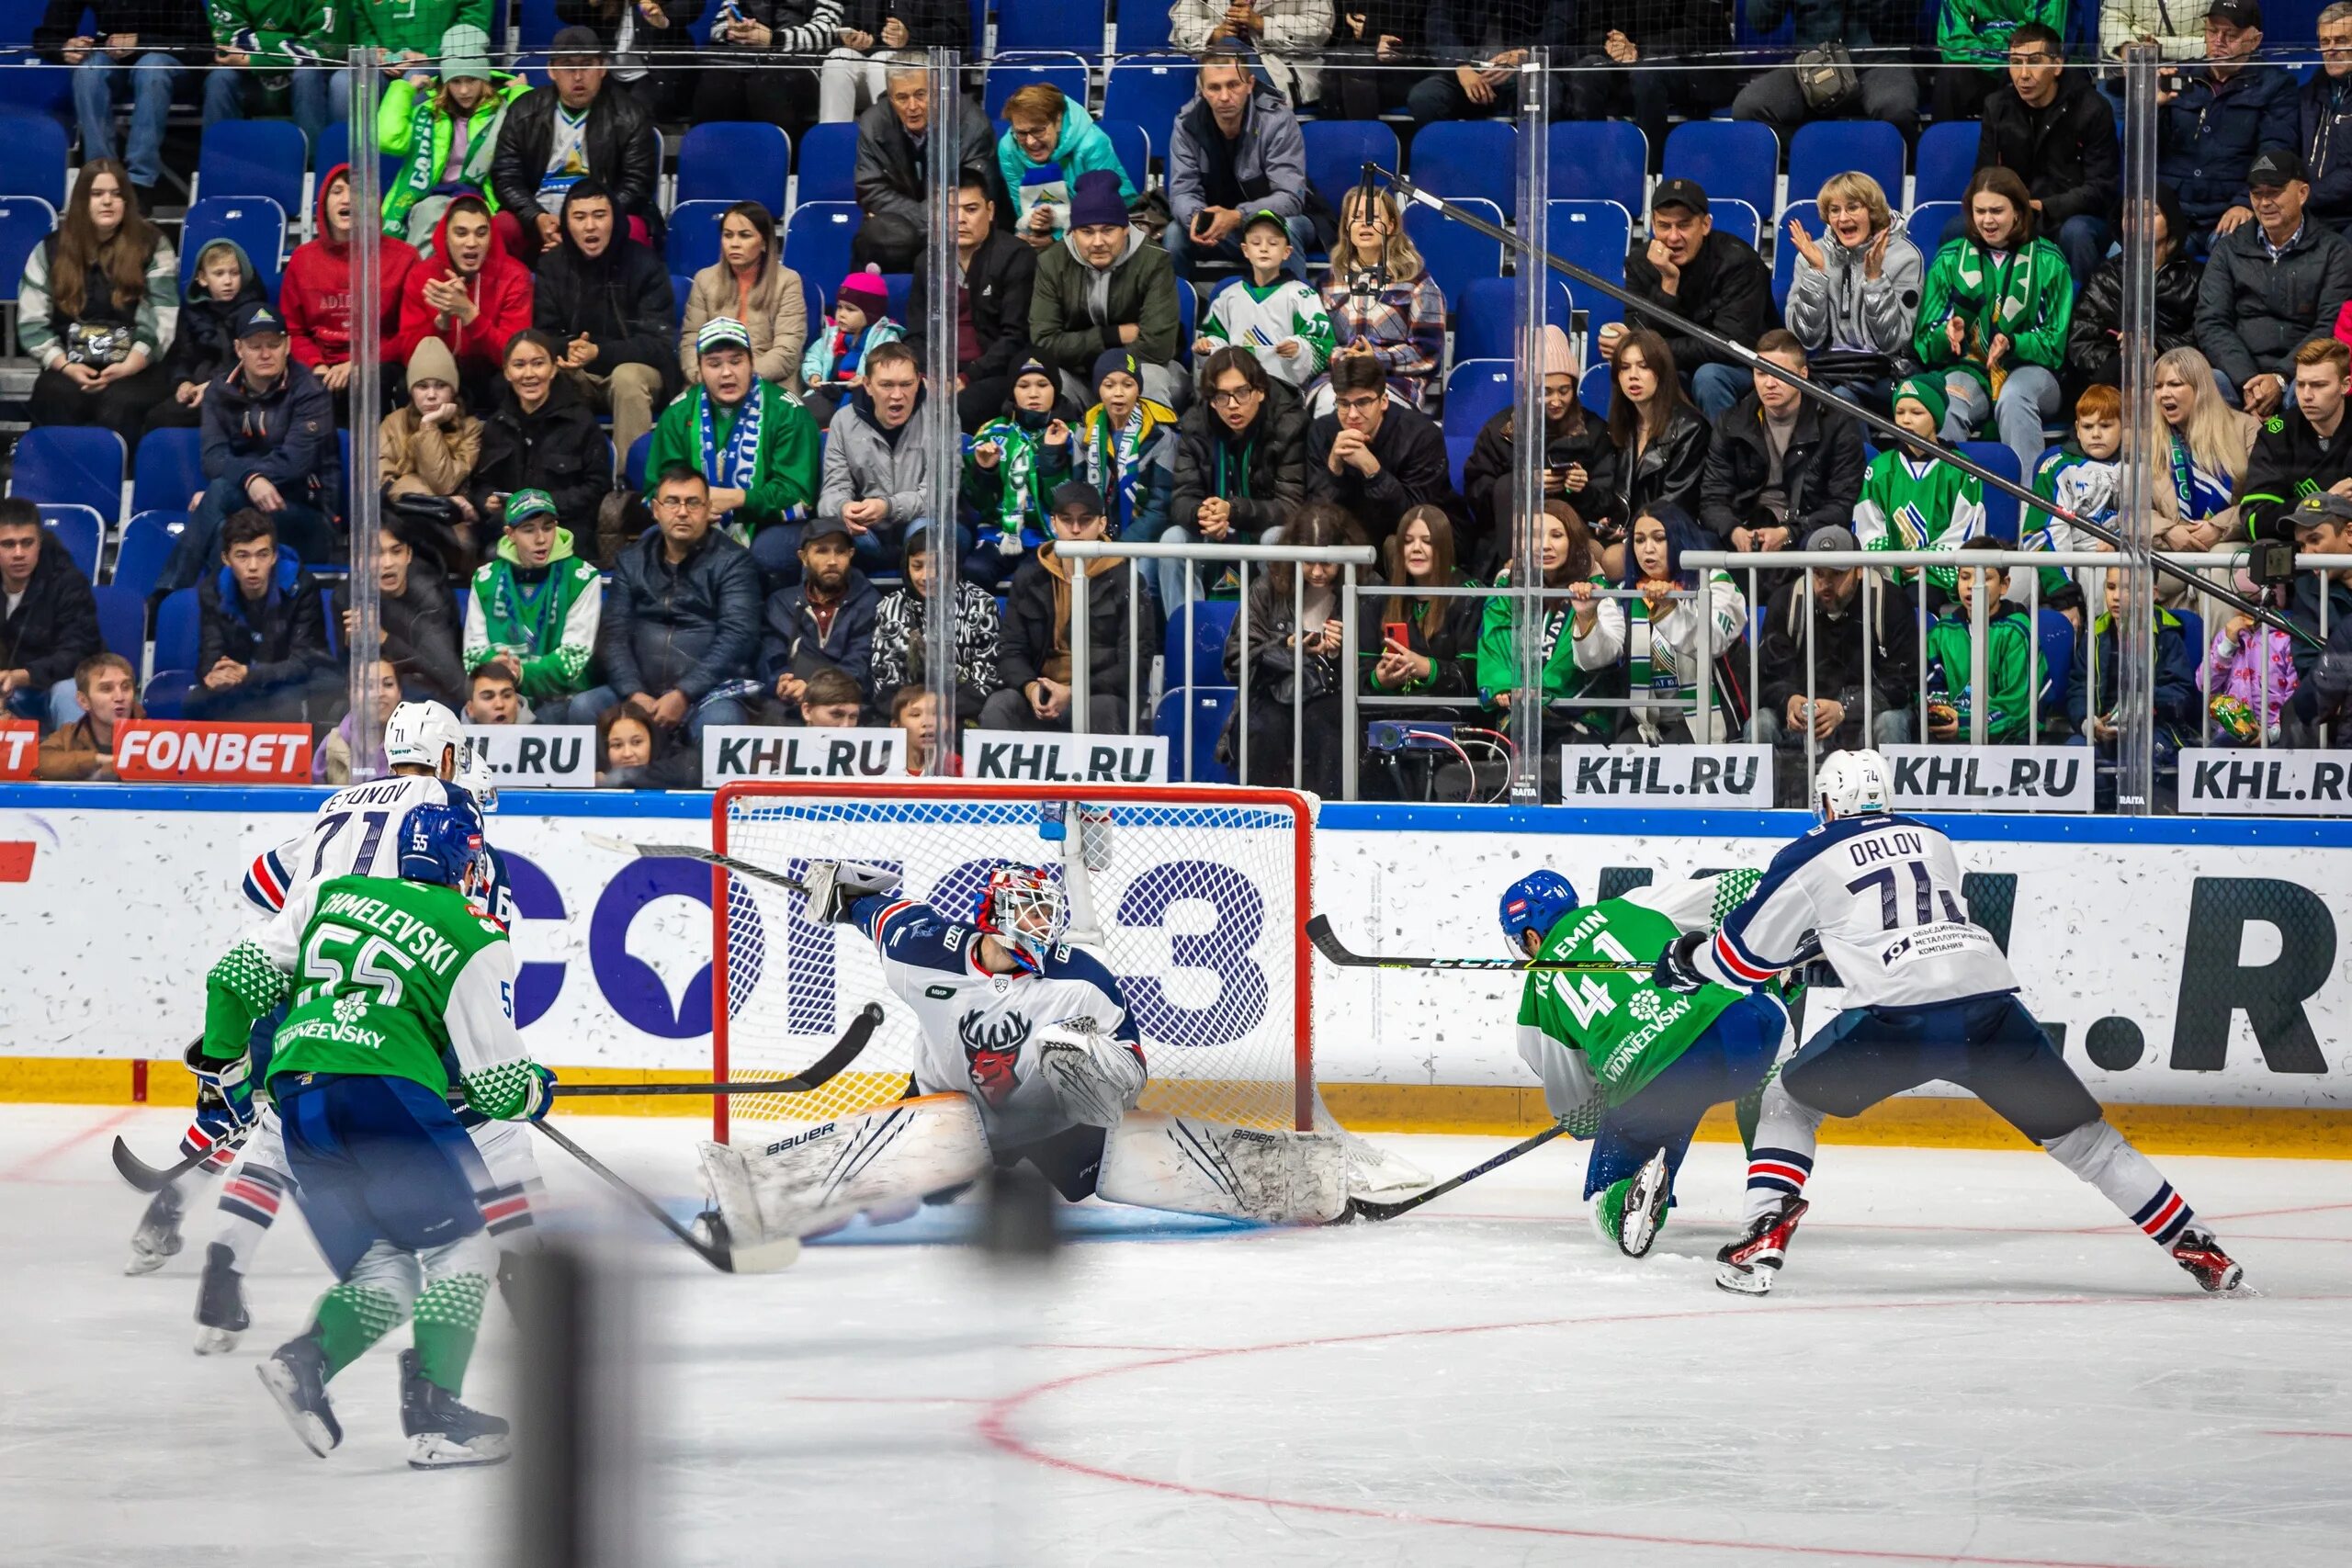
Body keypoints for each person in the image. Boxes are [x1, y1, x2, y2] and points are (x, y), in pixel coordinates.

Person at [1664, 747, 2245, 1298]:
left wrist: (1683, 960)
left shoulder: (1807, 854)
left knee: (1788, 1103)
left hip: (1899, 1019)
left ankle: (1763, 1233)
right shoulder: (1934, 838)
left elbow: (1741, 962)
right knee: (2087, 1143)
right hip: (1988, 1005)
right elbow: (1900, 920)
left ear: (1827, 803)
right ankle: (2197, 1246)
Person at [141, 705, 545, 1325]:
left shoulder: (340, 802)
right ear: (448, 758)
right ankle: (524, 1275)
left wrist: (315, 914)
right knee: (496, 1133)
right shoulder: (452, 815)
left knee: (274, 1124)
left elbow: (259, 882)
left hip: (298, 978)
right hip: (379, 1004)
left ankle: (220, 1261)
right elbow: (470, 937)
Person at [204, 800, 552, 1465]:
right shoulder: (472, 926)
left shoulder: (330, 893)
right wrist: (537, 1088)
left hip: (299, 1102)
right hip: (386, 1101)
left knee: (385, 1268)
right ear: (466, 863)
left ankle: (303, 1362)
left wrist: (229, 1071)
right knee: (467, 1248)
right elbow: (497, 1086)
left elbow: (232, 978)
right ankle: (435, 1416)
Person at [776, 857, 1146, 1218]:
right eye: (1033, 912)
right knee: (919, 1194)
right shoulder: (920, 949)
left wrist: (1103, 1080)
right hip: (945, 1109)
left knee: (1097, 1179)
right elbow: (877, 915)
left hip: (1046, 1120)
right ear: (997, 913)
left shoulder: (1082, 977)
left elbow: (1131, 1054)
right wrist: (844, 896)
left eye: (1048, 914)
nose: (1044, 926)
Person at [1501, 868, 1788, 1258]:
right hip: (1733, 1034)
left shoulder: (1536, 997)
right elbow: (1743, 885)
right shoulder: (1637, 903)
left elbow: (1579, 1113)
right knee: (1766, 1003)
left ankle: (1627, 1195)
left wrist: (1607, 1115)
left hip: (1652, 1085)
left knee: (1606, 1192)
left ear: (1532, 936)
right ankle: (1776, 1168)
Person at [160, 300, 341, 594]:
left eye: (273, 343)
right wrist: (250, 480)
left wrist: (240, 480)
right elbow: (212, 458)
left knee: (219, 493)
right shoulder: (220, 390)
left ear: (288, 346)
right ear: (239, 349)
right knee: (225, 532)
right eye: (255, 346)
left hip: (307, 514)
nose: (265, 353)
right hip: (245, 510)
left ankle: (166, 595)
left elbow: (294, 463)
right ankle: (225, 618)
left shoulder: (311, 392)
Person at [1914, 165, 2075, 482]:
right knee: (1949, 400)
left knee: (2015, 397)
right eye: (1980, 211)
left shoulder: (2049, 261)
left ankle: (2029, 508)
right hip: (1968, 368)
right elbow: (1923, 339)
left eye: (1997, 211)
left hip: (2031, 373)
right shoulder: (1949, 259)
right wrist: (1947, 337)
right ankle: (1945, 503)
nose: (1987, 220)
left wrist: (2013, 343)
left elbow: (2054, 345)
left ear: (2018, 211)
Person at [582, 466, 764, 741]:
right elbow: (614, 635)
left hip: (707, 695)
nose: (682, 512)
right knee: (583, 708)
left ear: (708, 510)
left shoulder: (733, 562)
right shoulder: (631, 560)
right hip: (638, 692)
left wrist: (684, 693)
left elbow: (737, 637)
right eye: (672, 502)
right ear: (656, 510)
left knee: (721, 725)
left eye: (693, 503)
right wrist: (633, 693)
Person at [646, 316, 823, 586]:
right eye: (714, 364)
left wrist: (740, 498)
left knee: (768, 554)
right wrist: (693, 507)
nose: (726, 372)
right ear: (700, 370)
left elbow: (799, 495)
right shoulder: (677, 413)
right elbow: (657, 488)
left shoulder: (789, 412)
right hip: (694, 520)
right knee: (650, 545)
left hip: (770, 525)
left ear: (752, 363)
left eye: (736, 361)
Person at [983, 479, 1159, 735]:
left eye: (1085, 520)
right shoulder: (1030, 577)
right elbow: (1011, 649)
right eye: (1067, 520)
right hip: (1044, 693)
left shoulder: (1127, 579)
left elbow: (1135, 663)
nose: (1075, 529)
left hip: (1101, 695)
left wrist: (1074, 692)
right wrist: (1031, 688)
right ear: (1054, 523)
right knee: (1000, 706)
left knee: (1099, 708)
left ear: (1101, 524)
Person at [1218, 502, 1370, 795]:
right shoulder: (1266, 589)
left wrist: (1344, 650)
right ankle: (1263, 821)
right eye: (1308, 562)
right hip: (1272, 689)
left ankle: (1332, 819)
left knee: (1332, 729)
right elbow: (1235, 660)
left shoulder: (1363, 589)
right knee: (1263, 729)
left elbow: (1372, 663)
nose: (1317, 572)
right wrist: (1284, 646)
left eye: (1326, 562)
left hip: (1332, 694)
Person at [1747, 526, 1917, 787]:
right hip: (1804, 721)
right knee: (1760, 724)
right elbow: (1766, 675)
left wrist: (1845, 709)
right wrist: (1789, 701)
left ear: (1859, 570)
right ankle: (1759, 818)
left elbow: (1902, 682)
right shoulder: (1787, 601)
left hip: (1866, 720)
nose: (1825, 585)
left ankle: (1892, 811)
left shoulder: (1890, 602)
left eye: (1836, 574)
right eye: (1817, 573)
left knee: (1891, 723)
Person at [19, 159, 175, 444]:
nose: (108, 201)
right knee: (54, 393)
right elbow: (31, 322)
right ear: (81, 201)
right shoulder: (49, 249)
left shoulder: (153, 245)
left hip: (137, 366)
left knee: (121, 402)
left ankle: (122, 484)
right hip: (70, 365)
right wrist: (65, 366)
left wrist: (132, 363)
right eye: (97, 193)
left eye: (116, 194)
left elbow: (163, 315)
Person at [2193, 148, 2352, 420]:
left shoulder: (2334, 251)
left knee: (2313, 388)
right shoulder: (2228, 249)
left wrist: (2281, 377)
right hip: (2240, 378)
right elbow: (2210, 321)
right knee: (2198, 383)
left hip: (2300, 375)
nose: (2264, 202)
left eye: (2274, 192)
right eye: (2257, 194)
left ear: (2302, 193)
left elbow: (2329, 324)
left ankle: (2299, 456)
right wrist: (2250, 381)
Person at [531, 177, 676, 465]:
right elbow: (543, 334)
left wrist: (599, 352)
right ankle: (557, 479)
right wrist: (567, 349)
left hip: (635, 373)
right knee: (541, 374)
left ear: (615, 218)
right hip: (577, 372)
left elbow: (658, 345)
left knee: (627, 379)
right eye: (579, 217)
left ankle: (628, 486)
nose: (590, 226)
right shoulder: (552, 265)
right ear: (566, 223)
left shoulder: (645, 264)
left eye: (600, 215)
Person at [488, 27, 660, 263]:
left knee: (635, 228)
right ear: (551, 71)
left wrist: (587, 223)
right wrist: (536, 217)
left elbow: (637, 184)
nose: (578, 76)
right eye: (568, 66)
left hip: (600, 216)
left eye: (587, 65)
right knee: (501, 227)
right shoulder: (523, 110)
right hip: (540, 219)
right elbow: (505, 177)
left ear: (602, 68)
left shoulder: (630, 114)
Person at [1611, 178, 1776, 422]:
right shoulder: (1640, 263)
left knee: (1708, 377)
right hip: (1679, 366)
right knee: (1633, 373)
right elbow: (1640, 334)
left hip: (1746, 366)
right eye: (1664, 226)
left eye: (1684, 225)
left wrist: (1656, 350)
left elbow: (1729, 346)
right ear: (1653, 226)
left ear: (1706, 225)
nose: (1673, 237)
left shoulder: (1739, 262)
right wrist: (1667, 283)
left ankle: (1723, 457)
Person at [1462, 324, 1620, 576]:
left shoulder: (1594, 431)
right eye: (1546, 392)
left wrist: (1582, 490)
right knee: (1506, 484)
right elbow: (1477, 497)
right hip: (1510, 544)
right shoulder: (1500, 430)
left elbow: (1608, 504)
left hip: (1574, 541)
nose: (1556, 401)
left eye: (1564, 391)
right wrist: (1523, 484)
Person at [1971, 23, 2120, 286]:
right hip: (2015, 212)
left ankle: (2081, 317)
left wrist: (2044, 207)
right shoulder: (1997, 106)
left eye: (2035, 62)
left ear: (2058, 65)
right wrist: (2008, 208)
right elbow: (1983, 176)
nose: (2023, 75)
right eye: (2016, 62)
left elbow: (2101, 189)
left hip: (2073, 215)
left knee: (2077, 233)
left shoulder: (2092, 109)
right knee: (1957, 230)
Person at [1697, 330, 1867, 552]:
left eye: (1778, 373)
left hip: (1806, 532)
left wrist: (1789, 532)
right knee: (1697, 543)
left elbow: (1842, 505)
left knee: (1823, 543)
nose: (1769, 383)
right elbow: (1713, 498)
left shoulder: (1837, 424)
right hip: (1747, 529)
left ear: (1803, 373)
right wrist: (1734, 531)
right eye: (1761, 374)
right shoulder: (1731, 423)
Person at [1165, 345, 1309, 607]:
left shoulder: (1288, 424)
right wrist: (1202, 515)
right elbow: (1182, 497)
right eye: (1221, 396)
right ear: (1210, 399)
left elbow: (1291, 507)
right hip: (1215, 532)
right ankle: (1188, 635)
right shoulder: (1196, 424)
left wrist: (1232, 511)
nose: (1232, 405)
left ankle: (1274, 631)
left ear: (1261, 391)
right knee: (1173, 540)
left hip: (1261, 531)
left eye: (1242, 393)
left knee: (1274, 539)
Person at [1029, 169, 1185, 411]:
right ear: (1072, 232)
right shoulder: (1052, 262)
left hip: (1141, 371)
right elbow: (1045, 342)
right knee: (1043, 382)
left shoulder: (1154, 260)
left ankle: (1148, 449)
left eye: (1108, 230)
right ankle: (1060, 447)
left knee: (1153, 382)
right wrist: (1112, 336)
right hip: (1079, 375)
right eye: (1087, 232)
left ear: (1125, 229)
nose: (1098, 242)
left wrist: (1109, 377)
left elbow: (1158, 347)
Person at [1476, 502, 1624, 751]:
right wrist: (1502, 682)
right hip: (1520, 718)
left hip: (1580, 722)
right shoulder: (1508, 588)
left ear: (1574, 541)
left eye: (1556, 535)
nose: (1544, 545)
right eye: (1534, 536)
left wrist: (1586, 615)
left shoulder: (1597, 588)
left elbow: (1602, 658)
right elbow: (1493, 638)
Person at [41, 0, 211, 211]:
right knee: (89, 69)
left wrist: (141, 42)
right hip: (114, 63)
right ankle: (102, 177)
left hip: (170, 64)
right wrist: (65, 48)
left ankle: (139, 183)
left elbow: (200, 46)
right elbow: (47, 37)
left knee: (152, 67)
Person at [377, 27, 533, 254]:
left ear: (485, 78)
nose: (463, 90)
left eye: (471, 80)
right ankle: (418, 281)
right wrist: (404, 90)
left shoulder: (503, 111)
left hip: (484, 202)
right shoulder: (429, 112)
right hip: (432, 197)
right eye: (456, 81)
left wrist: (521, 94)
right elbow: (388, 139)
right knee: (432, 211)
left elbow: (529, 144)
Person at [2155, 0, 2298, 249]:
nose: (2218, 40)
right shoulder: (2178, 77)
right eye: (2212, 31)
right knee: (2126, 255)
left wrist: (2245, 202)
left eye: (2230, 34)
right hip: (2172, 209)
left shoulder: (2275, 86)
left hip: (2228, 210)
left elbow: (2275, 152)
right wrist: (2151, 108)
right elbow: (2138, 150)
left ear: (2254, 40)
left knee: (2236, 252)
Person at [1164, 53, 1319, 283]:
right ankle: (1178, 314)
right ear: (1202, 90)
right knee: (1175, 234)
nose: (1224, 96)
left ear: (1250, 84)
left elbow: (1290, 199)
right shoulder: (1187, 123)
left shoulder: (1277, 119)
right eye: (1214, 88)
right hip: (1221, 229)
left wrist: (1238, 216)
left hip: (1281, 219)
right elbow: (1182, 192)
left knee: (1284, 229)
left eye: (1233, 85)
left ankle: (1292, 310)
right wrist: (1197, 218)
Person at [1781, 171, 1924, 416]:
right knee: (1783, 396)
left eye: (1853, 207)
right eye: (1834, 210)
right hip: (1828, 370)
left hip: (1888, 372)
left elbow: (1890, 341)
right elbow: (1806, 339)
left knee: (1840, 399)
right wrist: (1816, 273)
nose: (1842, 217)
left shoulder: (1905, 257)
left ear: (1872, 211)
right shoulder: (1812, 255)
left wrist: (1875, 280)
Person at [283, 164, 421, 419]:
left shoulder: (405, 258)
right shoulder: (303, 259)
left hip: (379, 365)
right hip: (320, 366)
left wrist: (361, 364)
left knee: (364, 387)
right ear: (323, 204)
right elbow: (293, 330)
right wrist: (317, 366)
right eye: (337, 191)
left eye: (357, 192)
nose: (347, 198)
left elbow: (410, 332)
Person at [907, 171, 1038, 432]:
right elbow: (916, 333)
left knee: (956, 410)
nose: (960, 220)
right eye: (950, 210)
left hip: (992, 373)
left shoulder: (1015, 256)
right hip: (937, 372)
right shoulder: (928, 260)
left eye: (971, 209)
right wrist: (926, 373)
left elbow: (1015, 336)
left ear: (990, 211)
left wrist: (966, 377)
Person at [185, 509, 340, 725]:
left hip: (295, 680)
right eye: (242, 556)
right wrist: (212, 676)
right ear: (226, 558)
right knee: (196, 702)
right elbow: (210, 651)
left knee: (285, 704)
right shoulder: (212, 589)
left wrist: (249, 673)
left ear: (274, 556)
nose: (253, 567)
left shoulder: (301, 585)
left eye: (262, 554)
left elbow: (305, 661)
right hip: (243, 678)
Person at [464, 489, 604, 724]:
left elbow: (573, 660)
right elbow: (473, 655)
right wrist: (501, 673)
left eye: (548, 527)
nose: (541, 539)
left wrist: (521, 674)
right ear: (510, 534)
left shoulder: (583, 578)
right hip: (501, 696)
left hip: (560, 699)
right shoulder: (484, 579)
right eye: (529, 530)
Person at [387, 196, 536, 412]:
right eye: (461, 233)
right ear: (445, 236)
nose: (472, 243)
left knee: (509, 386)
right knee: (406, 387)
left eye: (481, 233)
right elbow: (410, 356)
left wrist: (469, 315)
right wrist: (442, 323)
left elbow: (516, 356)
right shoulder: (422, 276)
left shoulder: (514, 276)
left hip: (492, 374)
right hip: (441, 374)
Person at [851, 62, 1003, 273]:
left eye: (920, 95)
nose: (912, 106)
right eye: (902, 98)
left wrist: (916, 223)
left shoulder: (971, 123)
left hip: (957, 229)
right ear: (890, 98)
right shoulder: (873, 122)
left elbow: (972, 195)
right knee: (873, 235)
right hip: (904, 232)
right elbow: (870, 190)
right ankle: (864, 304)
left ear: (937, 91)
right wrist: (930, 219)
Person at [468, 329, 611, 547]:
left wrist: (543, 505)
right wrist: (487, 500)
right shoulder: (497, 424)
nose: (529, 374)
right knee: (491, 554)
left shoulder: (580, 421)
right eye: (519, 365)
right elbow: (481, 483)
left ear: (553, 369)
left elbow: (598, 486)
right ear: (506, 372)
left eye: (538, 363)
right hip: (510, 532)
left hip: (565, 531)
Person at [1311, 186, 1447, 416]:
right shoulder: (1327, 282)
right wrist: (1343, 359)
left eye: (1374, 217)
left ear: (1391, 225)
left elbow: (1428, 352)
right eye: (1356, 217)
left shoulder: (1418, 282)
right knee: (1328, 408)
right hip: (1338, 381)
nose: (1365, 224)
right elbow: (1317, 342)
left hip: (1394, 382)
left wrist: (1376, 359)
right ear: (1346, 226)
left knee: (1376, 412)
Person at [1305, 354, 1464, 549]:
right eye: (1344, 404)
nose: (1352, 414)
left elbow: (1416, 520)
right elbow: (1318, 517)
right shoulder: (1322, 432)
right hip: (1353, 540)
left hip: (1416, 542)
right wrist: (1334, 470)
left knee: (1393, 545)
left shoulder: (1421, 436)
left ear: (1384, 401)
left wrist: (1374, 473)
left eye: (1362, 402)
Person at [1621, 502, 1747, 742]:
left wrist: (1669, 609)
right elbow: (1600, 654)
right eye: (1639, 540)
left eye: (1659, 538)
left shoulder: (1715, 582)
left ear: (1679, 538)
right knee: (1625, 746)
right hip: (1648, 725)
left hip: (1710, 721)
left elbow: (1715, 641)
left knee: (1679, 744)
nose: (1648, 549)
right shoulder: (1627, 592)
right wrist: (1587, 616)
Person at [1854, 377, 1987, 596]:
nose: (1906, 420)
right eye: (1900, 412)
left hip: (1939, 580)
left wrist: (1926, 561)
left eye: (1917, 413)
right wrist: (1895, 562)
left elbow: (1966, 530)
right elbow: (1868, 528)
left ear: (1935, 419)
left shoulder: (1961, 469)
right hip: (1889, 576)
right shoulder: (1880, 468)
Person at [1562, 3, 1736, 171]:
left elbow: (1697, 32)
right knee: (1587, 71)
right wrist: (1608, 44)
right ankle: (1591, 168)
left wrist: (1638, 49)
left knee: (1647, 73)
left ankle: (1648, 171)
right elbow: (1590, 28)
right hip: (1626, 60)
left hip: (1689, 62)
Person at [2069, 565, 2200, 786]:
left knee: (2141, 759)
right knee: (2072, 756)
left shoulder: (2168, 635)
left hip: (2157, 727)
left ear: (2153, 594)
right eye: (2111, 587)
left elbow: (2180, 693)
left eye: (2129, 588)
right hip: (2103, 730)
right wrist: (2089, 724)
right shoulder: (2094, 634)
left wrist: (2143, 705)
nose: (2117, 596)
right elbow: (2078, 689)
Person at [815, 340, 933, 577]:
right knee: (824, 535)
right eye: (887, 385)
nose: (897, 395)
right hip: (868, 533)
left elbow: (940, 498)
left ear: (919, 381)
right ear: (868, 385)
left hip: (925, 526)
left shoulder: (941, 419)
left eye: (906, 384)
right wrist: (844, 508)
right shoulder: (844, 421)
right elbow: (831, 492)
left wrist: (888, 506)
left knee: (925, 533)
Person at [1363, 504, 1485, 732]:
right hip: (1388, 709)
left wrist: (1426, 667)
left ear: (1444, 546)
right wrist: (1380, 678)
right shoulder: (1379, 598)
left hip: (1446, 710)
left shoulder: (1469, 595)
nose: (1416, 549)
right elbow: (1360, 671)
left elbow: (1473, 674)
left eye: (1427, 542)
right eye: (1408, 541)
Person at [2066, 182, 2197, 393]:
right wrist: (2120, 358)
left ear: (2171, 222)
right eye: (2130, 214)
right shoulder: (2105, 277)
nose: (2137, 221)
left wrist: (2155, 347)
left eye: (2150, 213)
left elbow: (2203, 337)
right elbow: (2080, 342)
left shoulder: (2194, 276)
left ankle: (2272, 425)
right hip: (2117, 380)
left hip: (2177, 376)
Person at [870, 519, 1001, 721]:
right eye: (918, 566)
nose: (927, 576)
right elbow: (884, 679)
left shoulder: (981, 605)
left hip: (962, 713)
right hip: (907, 714)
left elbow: (986, 680)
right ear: (907, 568)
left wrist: (938, 712)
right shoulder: (889, 607)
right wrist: (914, 713)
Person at [1729, 0, 1918, 135]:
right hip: (1811, 66)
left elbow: (1909, 10)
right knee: (1749, 108)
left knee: (1896, 110)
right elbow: (1760, 21)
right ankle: (1811, 162)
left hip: (1878, 61)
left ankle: (1882, 175)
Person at [379, 336, 486, 574]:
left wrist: (428, 426)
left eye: (440, 385)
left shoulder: (471, 428)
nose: (431, 395)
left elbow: (444, 482)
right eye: (422, 386)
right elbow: (385, 485)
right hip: (402, 522)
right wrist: (443, 501)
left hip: (451, 530)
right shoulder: (392, 424)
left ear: (453, 389)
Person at [1195, 209, 1332, 392]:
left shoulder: (1303, 295)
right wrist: (1209, 345)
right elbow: (1216, 337)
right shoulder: (1228, 296)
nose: (1264, 248)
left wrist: (1300, 349)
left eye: (1273, 243)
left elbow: (1321, 342)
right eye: (1256, 242)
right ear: (1245, 250)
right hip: (1236, 390)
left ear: (1287, 252)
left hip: (1284, 391)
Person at [680, 200, 808, 396]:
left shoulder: (788, 281)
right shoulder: (704, 279)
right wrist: (703, 374)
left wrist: (739, 376)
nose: (734, 243)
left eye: (745, 235)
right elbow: (691, 341)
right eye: (728, 235)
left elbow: (787, 351)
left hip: (770, 382)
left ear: (764, 241)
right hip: (710, 380)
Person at [2150, 344, 2258, 570]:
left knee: (2217, 564)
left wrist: (2219, 527)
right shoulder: (2148, 438)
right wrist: (2167, 531)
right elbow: (2131, 508)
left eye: (2175, 384)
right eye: (2158, 386)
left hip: (2229, 540)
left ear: (2201, 388)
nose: (2164, 394)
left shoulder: (2246, 428)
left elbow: (2263, 498)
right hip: (2169, 545)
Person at [761, 517, 880, 717]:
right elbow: (771, 658)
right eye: (822, 551)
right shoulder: (781, 603)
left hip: (848, 706)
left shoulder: (870, 602)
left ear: (851, 555)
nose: (832, 561)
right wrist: (781, 683)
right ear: (804, 557)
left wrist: (812, 688)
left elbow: (860, 664)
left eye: (840, 551)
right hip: (790, 705)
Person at [145, 237, 266, 434]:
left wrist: (214, 387)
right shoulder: (193, 312)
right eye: (219, 274)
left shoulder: (257, 312)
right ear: (202, 278)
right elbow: (182, 356)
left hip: (239, 392)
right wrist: (183, 382)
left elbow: (254, 363)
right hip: (197, 388)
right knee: (157, 418)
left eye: (234, 273)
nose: (228, 281)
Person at [997, 82, 1136, 254]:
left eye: (1038, 131)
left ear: (1058, 121)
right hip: (1049, 231)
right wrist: (1034, 225)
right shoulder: (1008, 148)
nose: (1031, 142)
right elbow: (1021, 207)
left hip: (1097, 227)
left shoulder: (1092, 144)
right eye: (1022, 133)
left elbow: (1105, 211)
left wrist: (1057, 238)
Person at [0, 500, 103, 732]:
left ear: (39, 543)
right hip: (9, 685)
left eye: (27, 543)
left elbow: (78, 653)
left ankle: (74, 765)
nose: (19, 553)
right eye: (8, 544)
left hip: (56, 680)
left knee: (68, 692)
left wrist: (23, 676)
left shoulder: (68, 582)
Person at [1922, 538, 2036, 742]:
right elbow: (1930, 689)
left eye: (1985, 577)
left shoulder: (2017, 632)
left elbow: (2017, 707)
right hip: (1950, 741)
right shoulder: (1941, 632)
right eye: (1965, 577)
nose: (1972, 585)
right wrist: (1941, 714)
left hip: (2009, 743)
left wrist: (1966, 724)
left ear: (2004, 585)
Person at [2239, 337, 2352, 541]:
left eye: (2319, 385)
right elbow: (2254, 521)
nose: (2307, 395)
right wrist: (2323, 502)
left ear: (2345, 385)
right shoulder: (2276, 435)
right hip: (2299, 559)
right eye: (2301, 384)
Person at [967, 354, 1075, 560]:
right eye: (1023, 386)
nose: (1033, 394)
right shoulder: (992, 433)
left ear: (1056, 389)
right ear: (1012, 392)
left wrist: (1053, 458)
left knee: (1031, 578)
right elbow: (979, 504)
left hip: (1051, 537)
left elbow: (1071, 504)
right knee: (975, 570)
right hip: (998, 534)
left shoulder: (1073, 434)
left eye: (1042, 385)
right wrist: (984, 471)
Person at [347, 521, 467, 707]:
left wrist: (384, 638)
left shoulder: (431, 598)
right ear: (359, 560)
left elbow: (451, 680)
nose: (388, 563)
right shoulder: (348, 595)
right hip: (380, 696)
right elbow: (348, 679)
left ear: (408, 555)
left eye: (396, 551)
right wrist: (352, 647)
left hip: (433, 700)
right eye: (376, 553)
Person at [1605, 328, 1709, 539]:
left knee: (1610, 559)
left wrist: (1632, 533)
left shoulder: (1691, 428)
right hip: (1634, 536)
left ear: (1662, 371)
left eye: (1643, 367)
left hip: (1671, 537)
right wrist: (1609, 522)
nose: (1633, 375)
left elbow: (1676, 505)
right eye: (1625, 368)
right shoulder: (1622, 426)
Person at [202, 0, 349, 150]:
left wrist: (254, 59)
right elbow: (230, 44)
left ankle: (316, 166)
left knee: (308, 74)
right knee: (220, 78)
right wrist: (291, 44)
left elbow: (322, 49)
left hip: (309, 81)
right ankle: (216, 162)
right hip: (250, 79)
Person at [2027, 382, 2122, 611]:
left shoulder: (2140, 467)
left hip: (2114, 559)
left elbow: (2148, 519)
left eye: (2106, 425)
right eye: (2088, 427)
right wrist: (2063, 592)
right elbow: (2043, 531)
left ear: (2125, 427)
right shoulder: (2057, 467)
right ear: (2077, 429)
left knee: (2109, 578)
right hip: (2069, 562)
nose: (2096, 434)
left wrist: (2120, 543)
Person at [1072, 346, 1178, 552]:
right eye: (1109, 385)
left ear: (1138, 389)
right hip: (1095, 541)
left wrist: (1120, 549)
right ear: (1098, 389)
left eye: (1127, 385)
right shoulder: (1083, 433)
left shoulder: (1162, 436)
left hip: (1145, 544)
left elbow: (1160, 506)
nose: (1118, 393)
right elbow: (1075, 493)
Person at [1405, 0, 1571, 129]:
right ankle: (1452, 166)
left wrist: (1526, 54)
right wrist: (1460, 65)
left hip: (1524, 69)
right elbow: (1439, 23)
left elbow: (1560, 26)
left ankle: (1529, 167)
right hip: (1467, 70)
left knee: (1546, 96)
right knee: (1425, 98)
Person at [688, 0, 839, 140]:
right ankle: (708, 163)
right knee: (716, 85)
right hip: (743, 60)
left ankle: (781, 163)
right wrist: (737, 30)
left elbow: (829, 32)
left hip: (797, 63)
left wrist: (773, 39)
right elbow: (718, 26)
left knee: (767, 85)